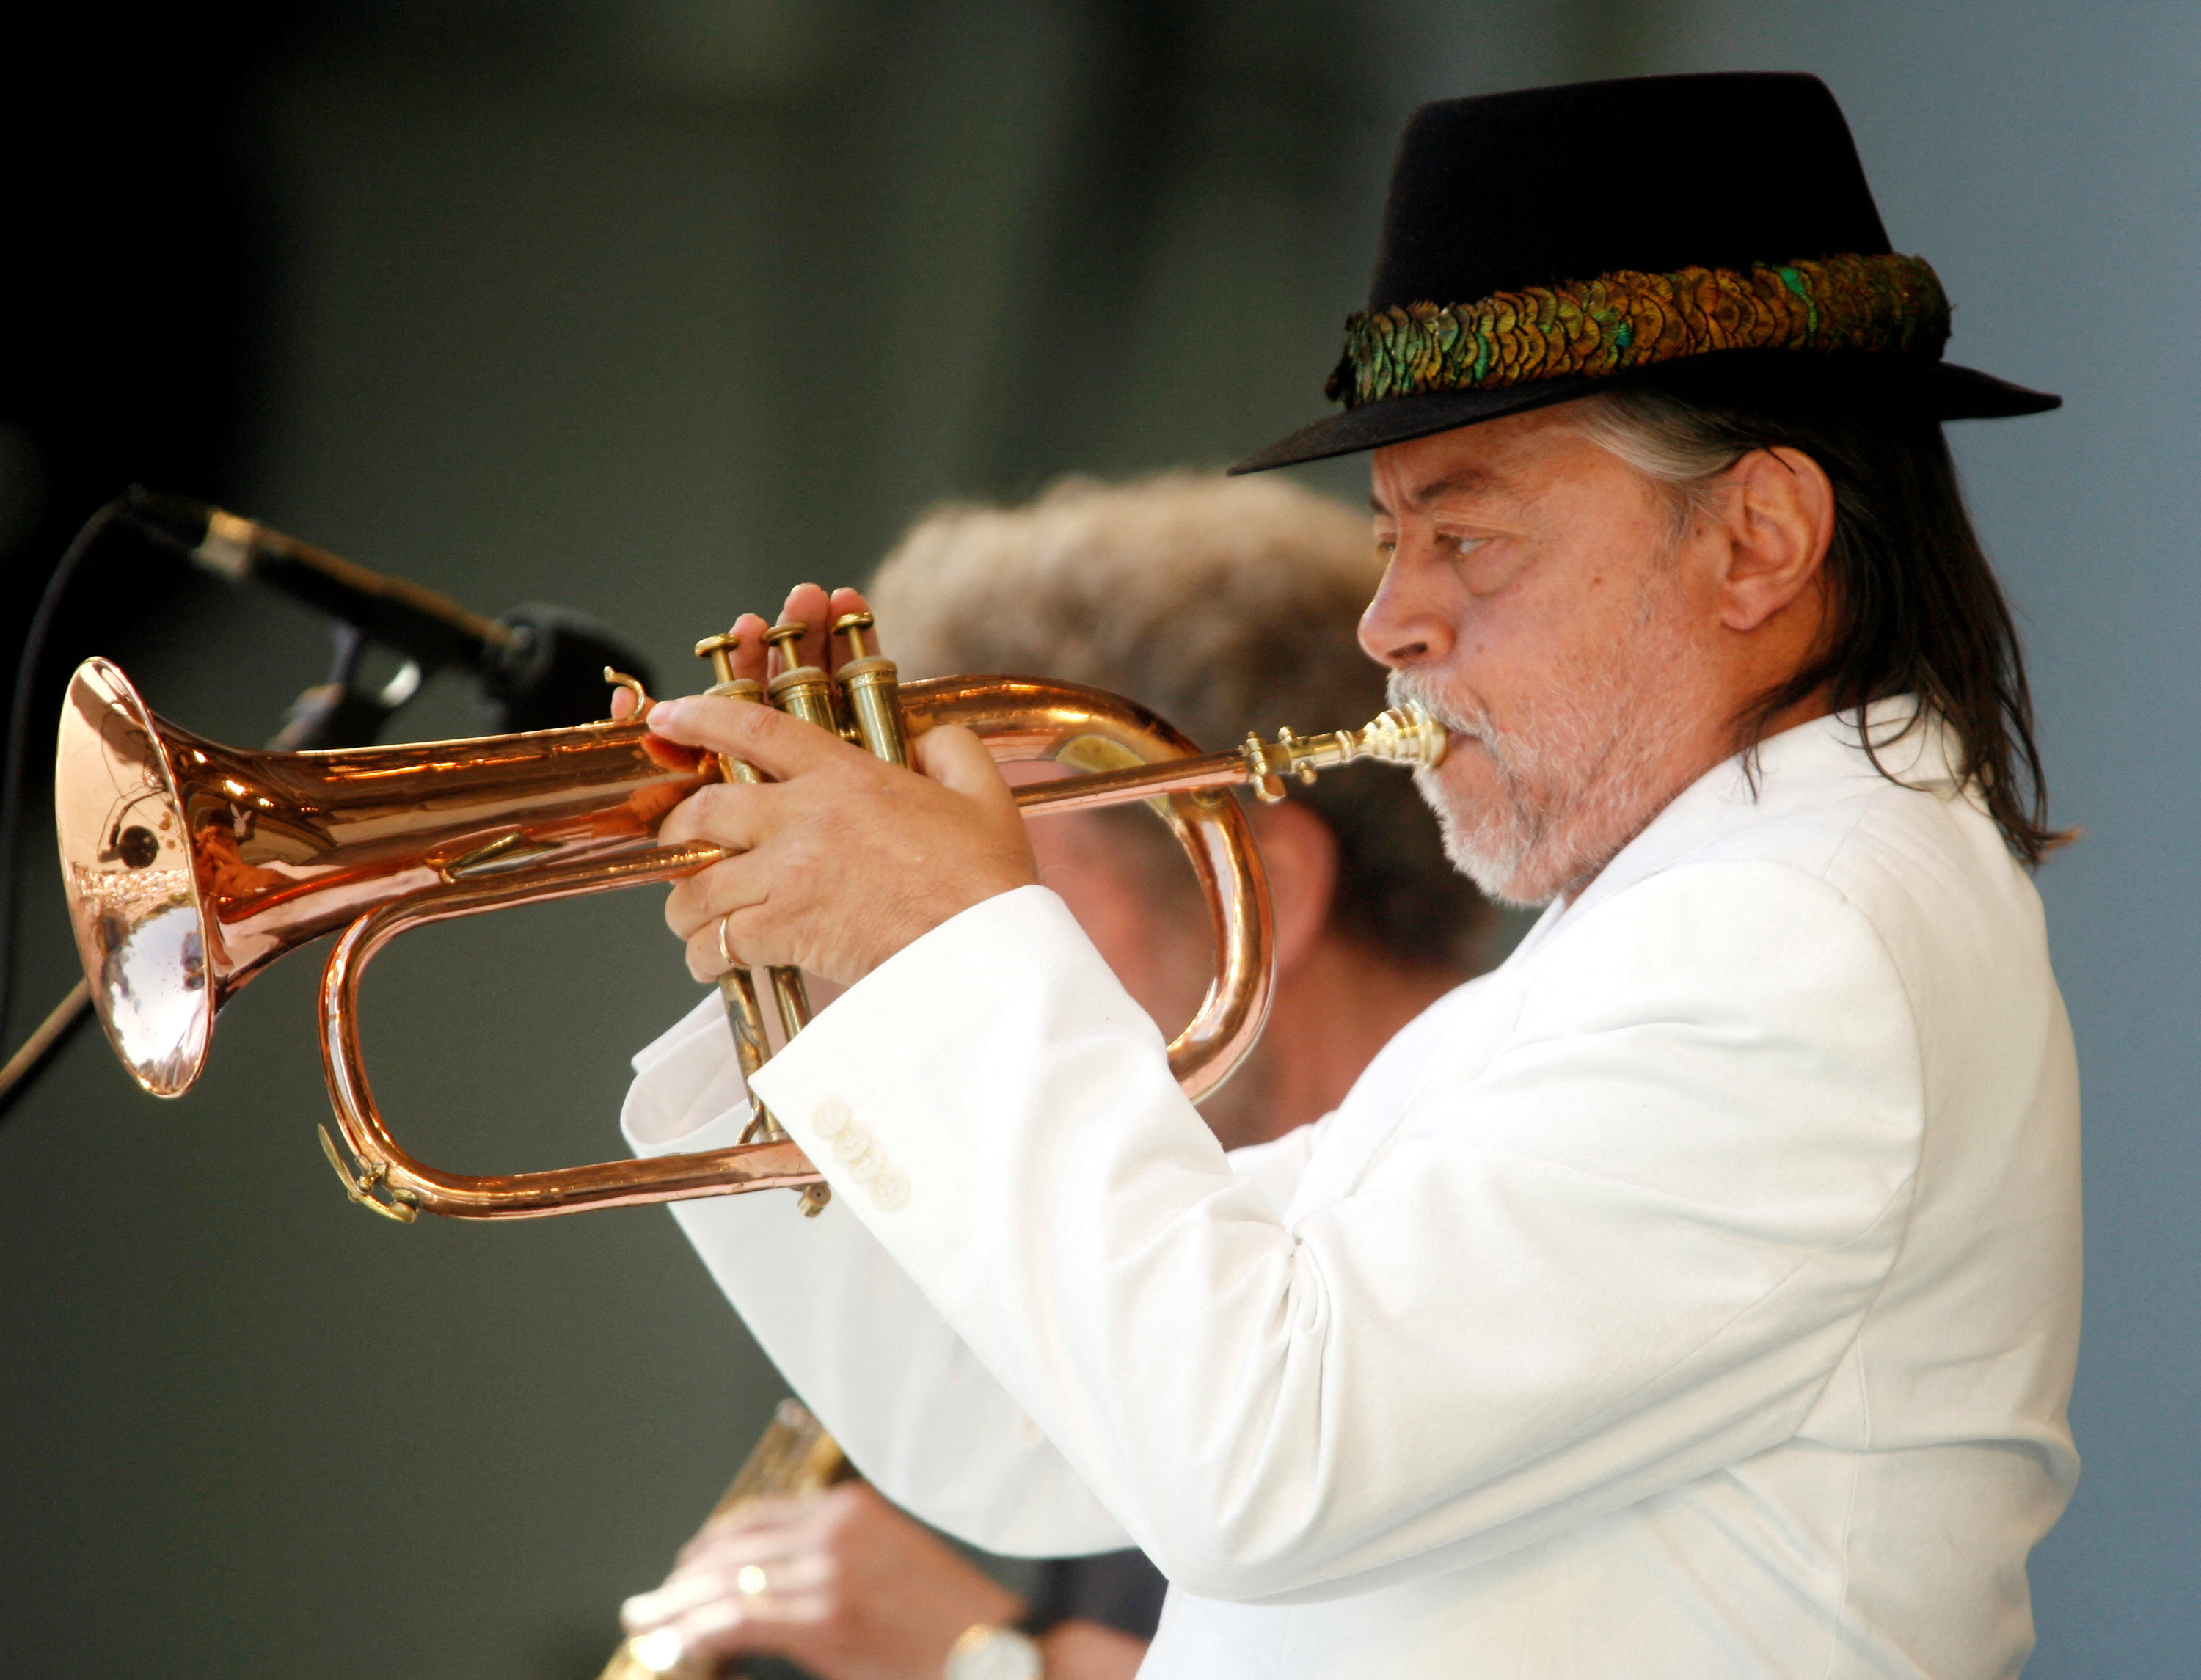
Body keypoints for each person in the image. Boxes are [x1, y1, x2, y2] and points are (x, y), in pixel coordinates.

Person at [618, 73, 2081, 1679]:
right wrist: (825, 988)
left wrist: (948, 944)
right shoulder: (1693, 916)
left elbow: (1260, 1459)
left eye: (1469, 538)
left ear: (1759, 537)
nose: (1390, 622)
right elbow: (1025, 1430)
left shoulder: (1789, 936)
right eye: (1390, 538)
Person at [618, 473, 1491, 1679]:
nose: (920, 936)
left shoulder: (1494, 1201)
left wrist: (993, 1658)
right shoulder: (1111, 1288)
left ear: (1264, 892)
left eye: (993, 881)